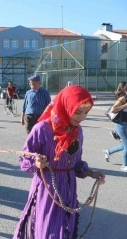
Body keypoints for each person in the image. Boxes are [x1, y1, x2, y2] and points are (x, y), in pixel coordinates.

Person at [14, 85, 105, 239]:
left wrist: (92, 173)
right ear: (66, 106)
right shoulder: (42, 128)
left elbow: (76, 163)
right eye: (77, 111)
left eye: (85, 113)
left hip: (69, 190)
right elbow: (24, 158)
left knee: (66, 229)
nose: (81, 117)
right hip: (47, 189)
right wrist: (36, 163)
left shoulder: (77, 131)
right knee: (49, 231)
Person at [103, 83, 127, 171]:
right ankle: (124, 165)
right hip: (121, 126)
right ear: (126, 91)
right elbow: (113, 109)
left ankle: (108, 152)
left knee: (124, 145)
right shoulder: (123, 99)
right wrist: (125, 105)